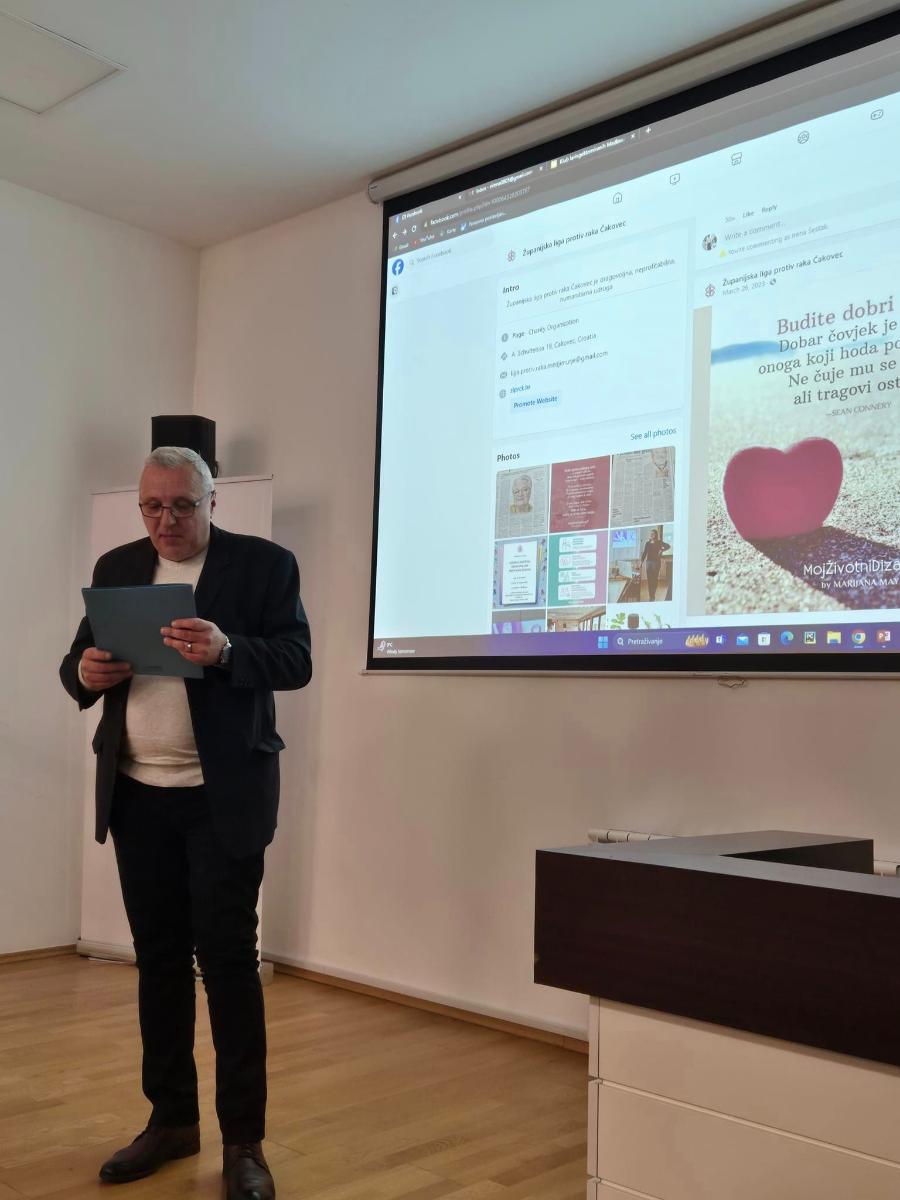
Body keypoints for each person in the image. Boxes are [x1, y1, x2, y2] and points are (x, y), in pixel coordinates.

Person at [59, 447, 312, 1200]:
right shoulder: (117, 565)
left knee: (228, 966)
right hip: (138, 794)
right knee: (159, 962)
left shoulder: (263, 566)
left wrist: (230, 650)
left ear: (211, 502)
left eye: (182, 505)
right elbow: (78, 661)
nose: (166, 520)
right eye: (152, 506)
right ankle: (171, 1121)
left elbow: (295, 659)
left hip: (221, 797)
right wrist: (85, 674)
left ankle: (243, 1143)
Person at [640, 528, 671, 601]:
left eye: (653, 534)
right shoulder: (647, 543)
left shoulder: (659, 542)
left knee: (654, 579)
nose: (651, 535)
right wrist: (641, 562)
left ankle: (653, 593)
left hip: (656, 563)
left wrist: (662, 550)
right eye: (650, 534)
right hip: (648, 563)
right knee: (649, 580)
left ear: (656, 535)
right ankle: (651, 596)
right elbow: (644, 553)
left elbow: (668, 546)